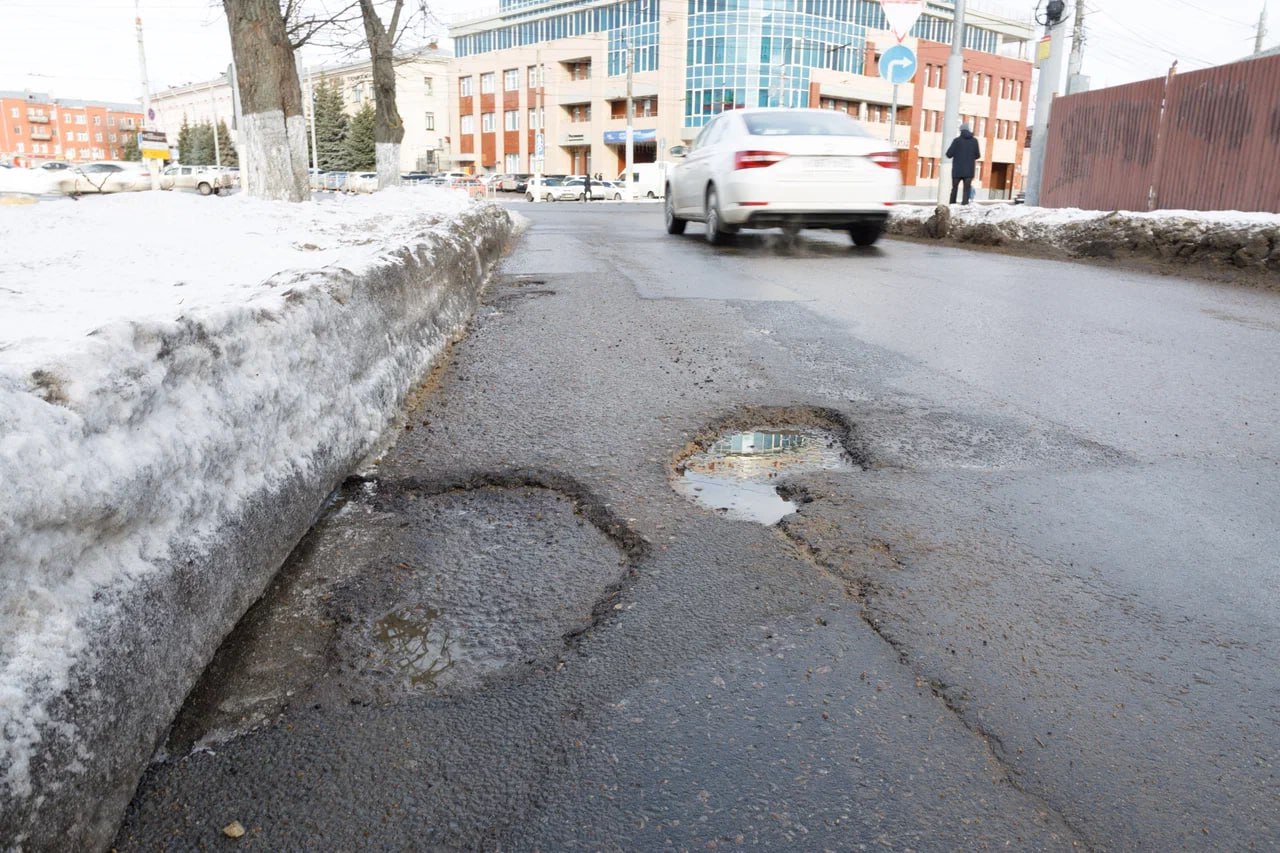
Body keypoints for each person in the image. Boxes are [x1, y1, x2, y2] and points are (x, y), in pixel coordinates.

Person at [945, 122, 981, 205]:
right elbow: (978, 155)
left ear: (960, 131)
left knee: (954, 188)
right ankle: (965, 204)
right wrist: (970, 157)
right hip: (969, 170)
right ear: (969, 130)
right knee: (966, 188)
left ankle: (952, 204)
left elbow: (948, 154)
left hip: (957, 170)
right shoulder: (975, 141)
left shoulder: (957, 141)